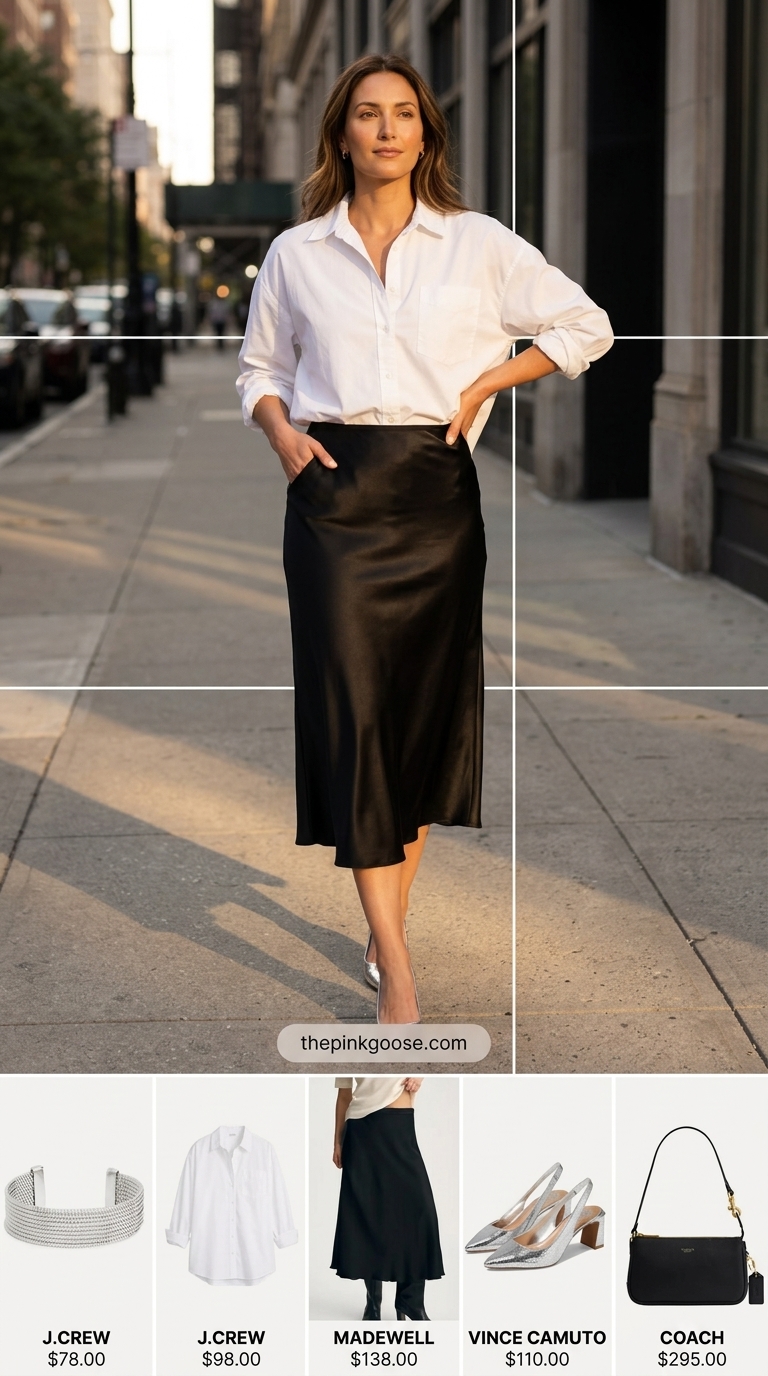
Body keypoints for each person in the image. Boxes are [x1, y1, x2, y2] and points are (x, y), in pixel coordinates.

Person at [237, 54, 613, 1024]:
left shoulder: (477, 244)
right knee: (356, 715)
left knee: (414, 724)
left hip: (436, 497)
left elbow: (586, 326)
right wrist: (281, 432)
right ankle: (398, 967)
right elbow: (258, 368)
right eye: (368, 114)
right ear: (343, 133)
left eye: (405, 113)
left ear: (426, 134)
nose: (388, 129)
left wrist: (488, 383)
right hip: (330, 499)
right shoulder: (295, 254)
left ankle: (382, 924)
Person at [331, 1076, 441, 1321]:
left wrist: (421, 1073)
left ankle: (410, 1301)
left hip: (399, 1124)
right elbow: (345, 1094)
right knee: (368, 1216)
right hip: (360, 1131)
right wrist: (338, 1141)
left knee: (420, 1212)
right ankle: (373, 1303)